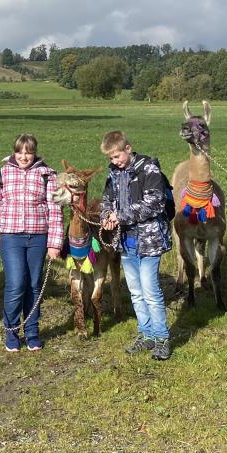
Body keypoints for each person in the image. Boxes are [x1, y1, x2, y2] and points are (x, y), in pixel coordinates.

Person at [0, 133, 63, 352]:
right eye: (20, 151)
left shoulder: (47, 175)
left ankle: (32, 332)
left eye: (28, 152)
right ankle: (11, 331)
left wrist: (55, 243)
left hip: (38, 236)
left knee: (33, 285)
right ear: (14, 152)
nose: (24, 156)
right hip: (11, 237)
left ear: (35, 152)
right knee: (16, 284)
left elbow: (55, 211)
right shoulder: (2, 174)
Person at [99, 131, 173, 361]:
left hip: (150, 241)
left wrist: (120, 216)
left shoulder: (149, 170)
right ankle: (146, 334)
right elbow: (107, 200)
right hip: (125, 242)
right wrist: (106, 216)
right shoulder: (113, 175)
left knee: (151, 292)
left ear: (128, 148)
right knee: (136, 292)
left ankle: (162, 339)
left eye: (117, 156)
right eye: (111, 158)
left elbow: (154, 204)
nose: (115, 161)